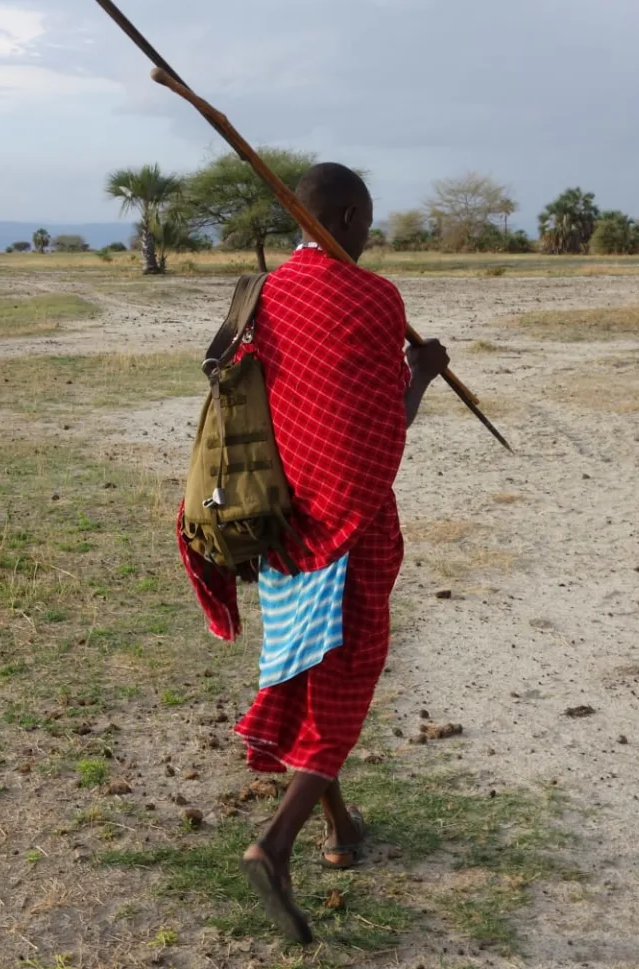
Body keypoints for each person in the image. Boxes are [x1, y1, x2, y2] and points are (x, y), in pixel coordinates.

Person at [176, 161, 449, 945]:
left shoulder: (262, 295)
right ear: (353, 214)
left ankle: (340, 831)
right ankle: (278, 841)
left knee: (309, 665)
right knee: (347, 677)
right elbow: (376, 438)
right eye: (366, 221)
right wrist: (419, 374)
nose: (368, 235)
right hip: (349, 527)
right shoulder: (373, 297)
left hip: (278, 525)